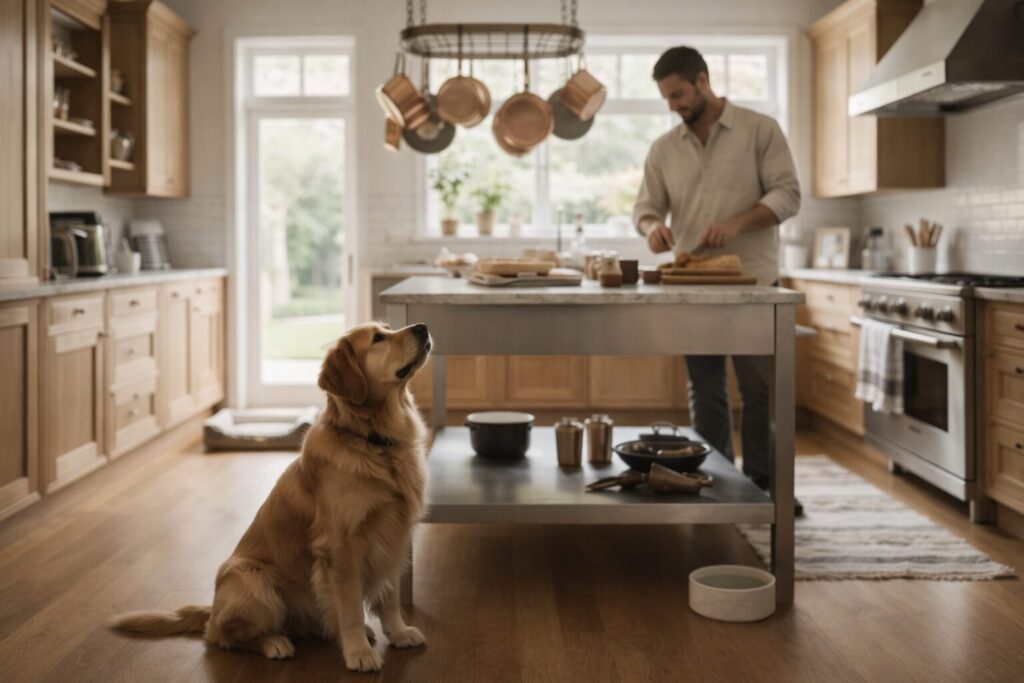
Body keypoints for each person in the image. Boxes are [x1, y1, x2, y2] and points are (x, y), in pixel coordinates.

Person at [633, 46, 802, 511]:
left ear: (703, 81)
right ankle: (715, 481)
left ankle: (764, 486)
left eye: (679, 94)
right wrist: (653, 228)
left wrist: (737, 223)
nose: (673, 105)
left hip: (753, 283)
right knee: (705, 388)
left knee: (760, 390)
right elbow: (645, 208)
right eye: (666, 98)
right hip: (692, 289)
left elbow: (788, 195)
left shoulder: (760, 130)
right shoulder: (664, 149)